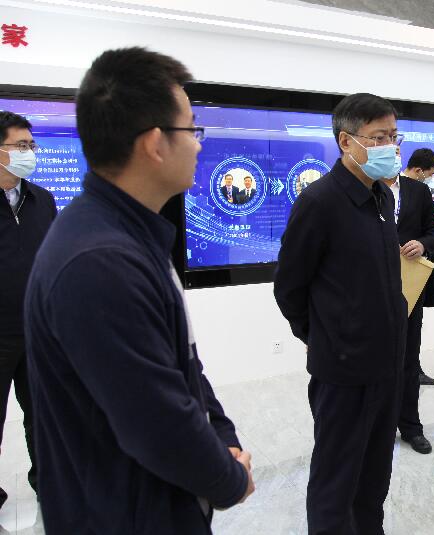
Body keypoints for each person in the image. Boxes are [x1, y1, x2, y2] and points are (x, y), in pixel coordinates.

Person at [24, 47, 254, 533]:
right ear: (155, 144)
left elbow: (180, 362)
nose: (198, 145)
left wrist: (221, 435)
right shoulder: (98, 263)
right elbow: (157, 424)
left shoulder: (131, 232)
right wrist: (229, 479)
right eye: (191, 130)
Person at [273, 93, 408, 534]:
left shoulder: (382, 197)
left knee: (374, 478)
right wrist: (326, 337)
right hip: (343, 374)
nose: (390, 147)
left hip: (387, 365)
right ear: (346, 142)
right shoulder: (319, 202)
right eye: (378, 138)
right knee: (336, 482)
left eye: (393, 136)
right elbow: (289, 288)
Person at [0, 111, 56, 508]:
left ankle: (50, 485)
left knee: (45, 416)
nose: (29, 153)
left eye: (31, 146)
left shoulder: (42, 200)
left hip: (38, 332)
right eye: (21, 146)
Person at [384, 152, 434, 454]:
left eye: (394, 144)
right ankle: (376, 426)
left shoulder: (417, 191)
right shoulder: (360, 189)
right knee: (374, 362)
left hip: (409, 287)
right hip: (369, 291)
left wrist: (423, 244)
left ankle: (410, 426)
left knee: (408, 360)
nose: (389, 151)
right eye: (380, 140)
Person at [401, 148, 434, 385]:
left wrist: (422, 243)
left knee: (413, 327)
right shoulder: (372, 188)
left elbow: (433, 231)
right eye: (429, 174)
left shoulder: (420, 192)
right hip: (380, 275)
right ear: (419, 170)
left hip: (413, 270)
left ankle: (412, 372)